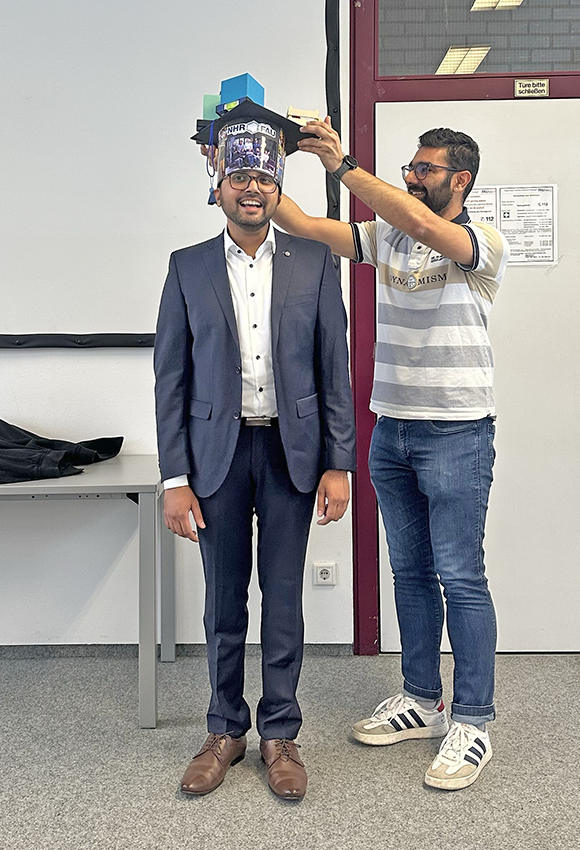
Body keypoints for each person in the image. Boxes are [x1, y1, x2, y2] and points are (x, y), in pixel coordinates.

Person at [274, 119, 509, 790]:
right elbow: (300, 223)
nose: (411, 176)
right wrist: (253, 165)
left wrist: (344, 164)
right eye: (408, 166)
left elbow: (426, 226)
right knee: (407, 574)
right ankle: (420, 699)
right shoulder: (387, 235)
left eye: (424, 169)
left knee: (459, 577)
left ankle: (470, 720)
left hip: (457, 431)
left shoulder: (478, 242)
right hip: (393, 429)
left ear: (458, 180)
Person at [155, 102, 355, 801]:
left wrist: (339, 461)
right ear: (217, 183)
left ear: (278, 188)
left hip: (291, 455)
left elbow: (336, 369)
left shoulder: (317, 263)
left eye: (262, 180)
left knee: (284, 598)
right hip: (214, 456)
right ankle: (223, 729)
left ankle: (279, 734)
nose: (250, 189)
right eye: (237, 175)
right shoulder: (186, 268)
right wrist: (173, 477)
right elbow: (170, 379)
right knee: (222, 601)